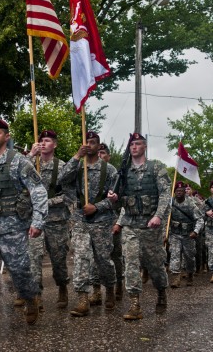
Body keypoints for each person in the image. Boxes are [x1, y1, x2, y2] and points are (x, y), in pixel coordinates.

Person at [0, 119, 48, 335]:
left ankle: (30, 298)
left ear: (7, 136)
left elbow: (38, 191)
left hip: (13, 227)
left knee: (20, 271)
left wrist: (38, 221)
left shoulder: (19, 162)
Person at [111, 132, 171, 320]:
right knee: (130, 263)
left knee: (155, 266)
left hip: (150, 226)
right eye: (132, 144)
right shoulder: (123, 172)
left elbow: (164, 195)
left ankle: (161, 291)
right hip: (130, 224)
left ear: (145, 146)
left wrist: (158, 216)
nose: (134, 147)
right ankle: (135, 304)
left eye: (138, 144)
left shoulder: (156, 168)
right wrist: (114, 198)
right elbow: (118, 200)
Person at [61, 131, 118, 317]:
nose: (89, 145)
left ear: (98, 145)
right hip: (80, 220)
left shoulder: (109, 170)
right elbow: (61, 179)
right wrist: (77, 156)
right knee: (81, 258)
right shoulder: (77, 168)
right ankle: (82, 298)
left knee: (103, 260)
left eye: (92, 142)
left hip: (102, 221)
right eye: (86, 142)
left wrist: (97, 207)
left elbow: (116, 198)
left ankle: (109, 288)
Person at [26, 130, 71, 310]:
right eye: (41, 140)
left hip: (56, 221)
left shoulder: (62, 167)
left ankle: (62, 287)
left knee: (58, 260)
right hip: (34, 221)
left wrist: (45, 202)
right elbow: (16, 174)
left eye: (47, 140)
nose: (43, 143)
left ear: (55, 145)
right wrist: (30, 155)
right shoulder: (30, 164)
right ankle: (36, 296)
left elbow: (68, 196)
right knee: (33, 259)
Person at [98, 142, 125, 300]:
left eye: (103, 153)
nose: (100, 156)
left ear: (108, 156)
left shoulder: (115, 174)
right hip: (96, 220)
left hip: (113, 218)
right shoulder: (89, 171)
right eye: (98, 153)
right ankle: (97, 289)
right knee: (97, 256)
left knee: (115, 255)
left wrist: (119, 223)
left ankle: (119, 284)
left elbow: (123, 202)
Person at [168, 181, 203, 288]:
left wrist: (196, 231)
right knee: (174, 255)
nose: (179, 193)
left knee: (189, 257)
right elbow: (165, 218)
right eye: (177, 191)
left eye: (181, 191)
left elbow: (200, 220)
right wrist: (164, 234)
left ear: (184, 192)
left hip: (188, 234)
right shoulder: (170, 203)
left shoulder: (190, 204)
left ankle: (190, 275)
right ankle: (176, 278)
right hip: (175, 234)